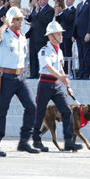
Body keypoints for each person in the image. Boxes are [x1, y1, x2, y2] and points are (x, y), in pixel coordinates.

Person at [0, 7, 39, 157]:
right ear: (11, 20)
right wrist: (5, 24)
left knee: (31, 107)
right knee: (1, 111)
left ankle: (24, 141)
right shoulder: (4, 34)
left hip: (20, 76)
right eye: (17, 19)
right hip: (6, 76)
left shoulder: (22, 36)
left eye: (21, 19)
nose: (20, 22)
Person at [32, 21, 83, 152]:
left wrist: (67, 85)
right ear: (50, 36)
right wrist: (61, 77)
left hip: (56, 85)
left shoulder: (59, 51)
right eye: (58, 34)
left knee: (67, 111)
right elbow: (48, 67)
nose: (61, 36)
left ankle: (68, 141)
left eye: (61, 34)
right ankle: (36, 140)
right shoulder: (44, 51)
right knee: (40, 112)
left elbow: (60, 69)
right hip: (45, 84)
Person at [26, 0, 55, 79]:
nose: (39, 0)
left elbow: (46, 20)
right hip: (33, 35)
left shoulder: (50, 10)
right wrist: (27, 15)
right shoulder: (36, 8)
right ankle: (33, 74)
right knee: (32, 55)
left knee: (41, 56)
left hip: (42, 36)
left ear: (46, 0)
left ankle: (41, 74)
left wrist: (38, 11)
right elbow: (31, 19)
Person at [73, 0, 90, 80]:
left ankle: (86, 73)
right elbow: (76, 21)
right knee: (81, 54)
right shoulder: (79, 5)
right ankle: (81, 72)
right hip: (79, 34)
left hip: (87, 34)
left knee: (87, 54)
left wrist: (88, 32)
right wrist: (73, 34)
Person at [56, 0, 76, 74]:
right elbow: (60, 21)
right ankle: (62, 69)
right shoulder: (64, 11)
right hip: (62, 34)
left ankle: (68, 70)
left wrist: (60, 13)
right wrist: (57, 15)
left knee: (68, 53)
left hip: (68, 34)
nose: (66, 1)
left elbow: (68, 20)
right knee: (62, 52)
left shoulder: (74, 10)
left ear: (73, 1)